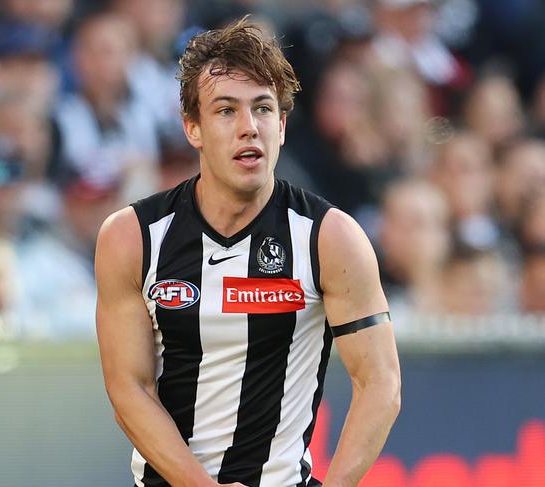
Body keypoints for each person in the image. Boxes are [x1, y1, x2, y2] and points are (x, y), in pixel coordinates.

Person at [95, 17, 401, 487]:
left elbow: (380, 383)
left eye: (262, 109)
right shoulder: (133, 235)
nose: (248, 128)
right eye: (225, 111)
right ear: (192, 128)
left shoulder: (329, 237)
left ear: (281, 124)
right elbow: (128, 389)